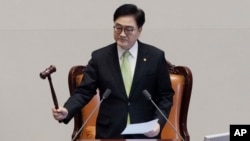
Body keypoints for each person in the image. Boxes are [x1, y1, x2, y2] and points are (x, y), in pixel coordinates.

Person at [52, 3, 174, 139]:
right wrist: (67, 109)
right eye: (118, 28)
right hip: (110, 132)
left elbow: (166, 96)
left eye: (128, 29)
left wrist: (157, 123)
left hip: (145, 131)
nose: (122, 34)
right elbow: (84, 91)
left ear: (139, 30)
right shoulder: (100, 57)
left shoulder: (155, 57)